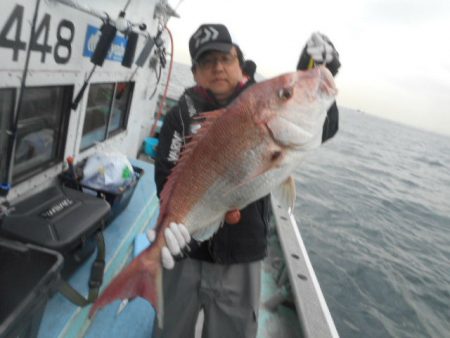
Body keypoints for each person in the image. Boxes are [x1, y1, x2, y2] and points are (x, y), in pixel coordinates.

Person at [153, 24, 340, 338]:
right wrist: (170, 227)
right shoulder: (180, 116)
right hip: (184, 253)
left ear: (239, 59)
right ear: (196, 72)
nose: (218, 68)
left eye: (225, 57)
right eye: (206, 62)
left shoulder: (261, 100)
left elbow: (324, 124)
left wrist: (318, 72)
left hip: (242, 255)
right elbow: (165, 176)